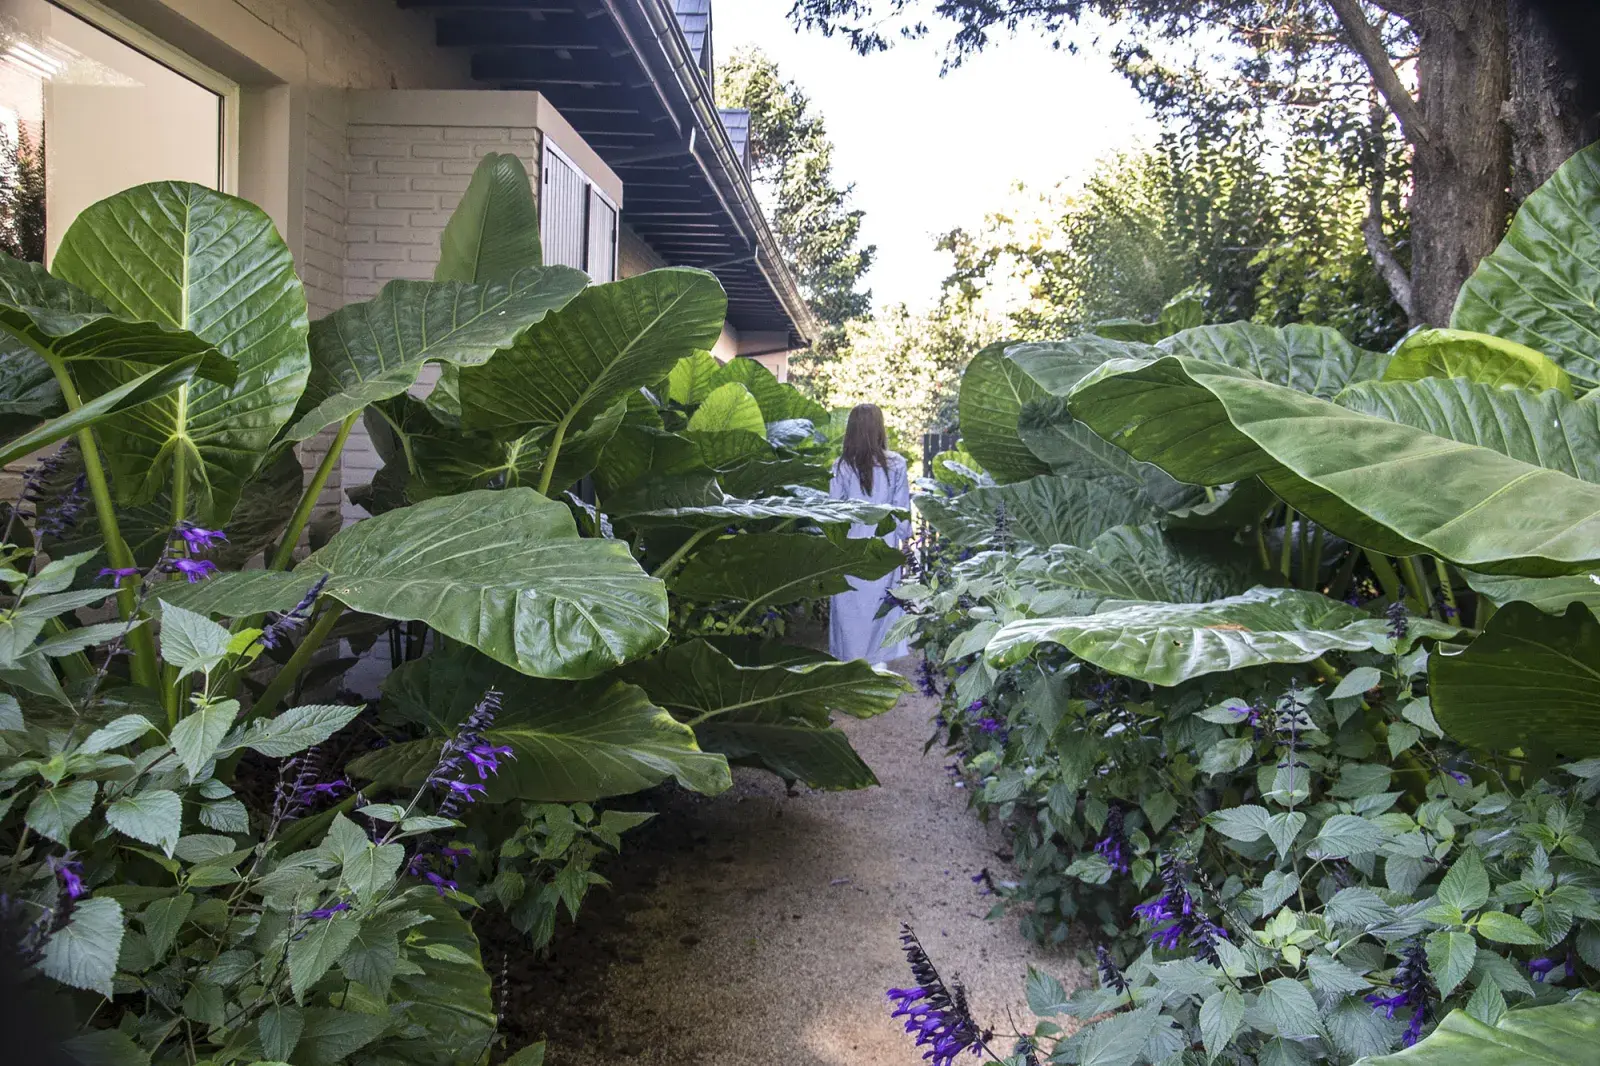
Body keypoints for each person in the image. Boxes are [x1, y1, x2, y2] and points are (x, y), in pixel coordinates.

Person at [828, 403, 912, 665]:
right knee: (880, 606)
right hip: (882, 549)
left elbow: (831, 513)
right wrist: (906, 540)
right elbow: (902, 512)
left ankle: (851, 662)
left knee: (848, 608)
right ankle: (879, 661)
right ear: (879, 428)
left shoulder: (840, 466)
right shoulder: (896, 465)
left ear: (850, 430)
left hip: (848, 550)